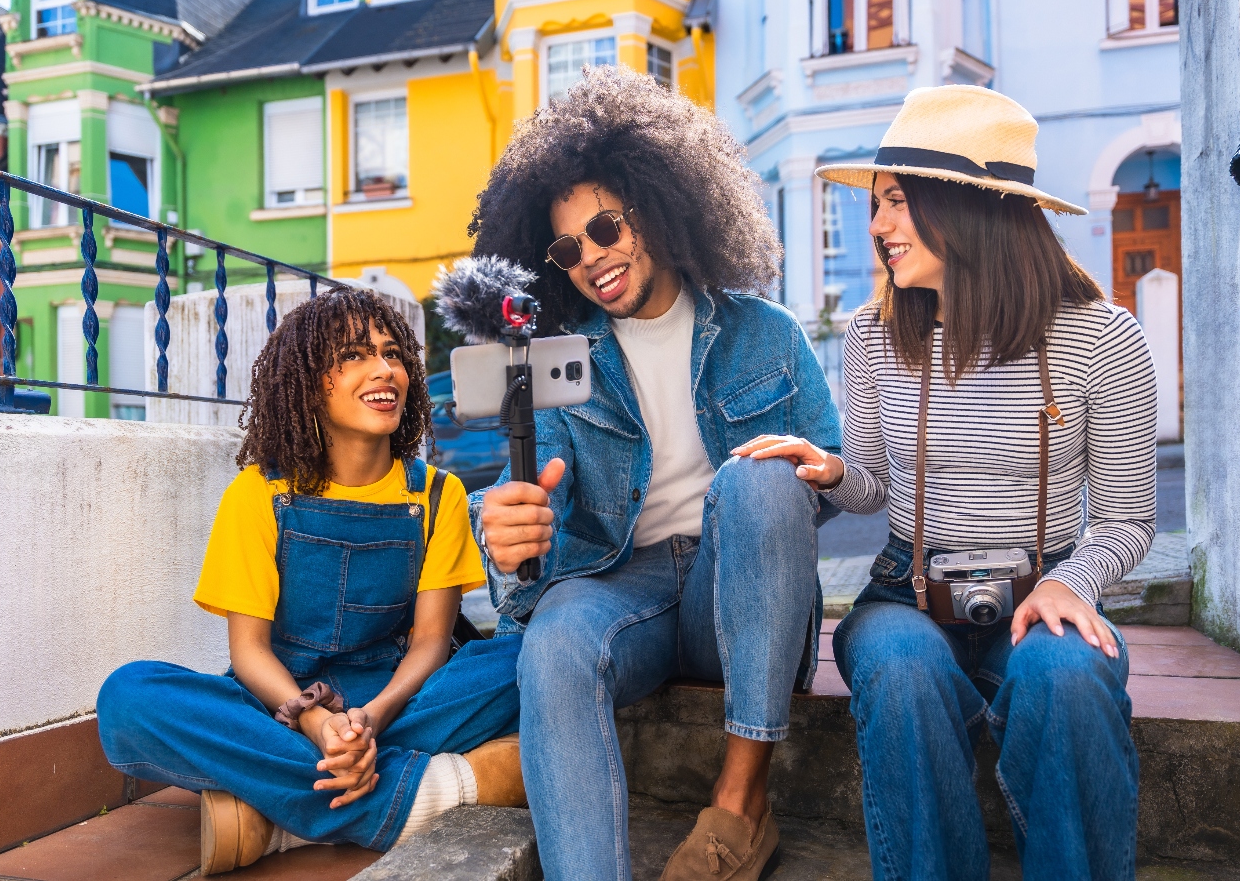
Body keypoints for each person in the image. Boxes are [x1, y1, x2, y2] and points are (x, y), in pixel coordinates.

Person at [750, 85, 1156, 880]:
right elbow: (870, 488)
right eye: (876, 205)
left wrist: (1074, 582)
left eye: (897, 202)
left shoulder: (1102, 338)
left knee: (1067, 679)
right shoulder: (872, 336)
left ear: (968, 208)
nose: (876, 228)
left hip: (1048, 585)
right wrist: (831, 468)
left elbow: (1128, 520)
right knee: (899, 671)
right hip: (906, 589)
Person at [467, 65, 843, 881]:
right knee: (556, 639)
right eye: (567, 248)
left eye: (606, 227)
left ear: (665, 205)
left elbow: (832, 479)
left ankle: (741, 809)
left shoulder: (768, 334)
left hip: (734, 594)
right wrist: (503, 530)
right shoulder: (557, 366)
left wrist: (819, 473)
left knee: (762, 475)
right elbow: (520, 508)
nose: (591, 258)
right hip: (621, 585)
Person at [96, 287, 525, 875]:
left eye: (392, 353)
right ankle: (429, 790)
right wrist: (319, 724)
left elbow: (430, 642)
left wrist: (368, 719)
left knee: (530, 659)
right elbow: (248, 651)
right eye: (353, 356)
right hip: (281, 704)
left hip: (398, 700)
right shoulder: (258, 494)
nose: (384, 370)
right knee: (129, 698)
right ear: (306, 385)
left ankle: (278, 813)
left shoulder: (436, 496)